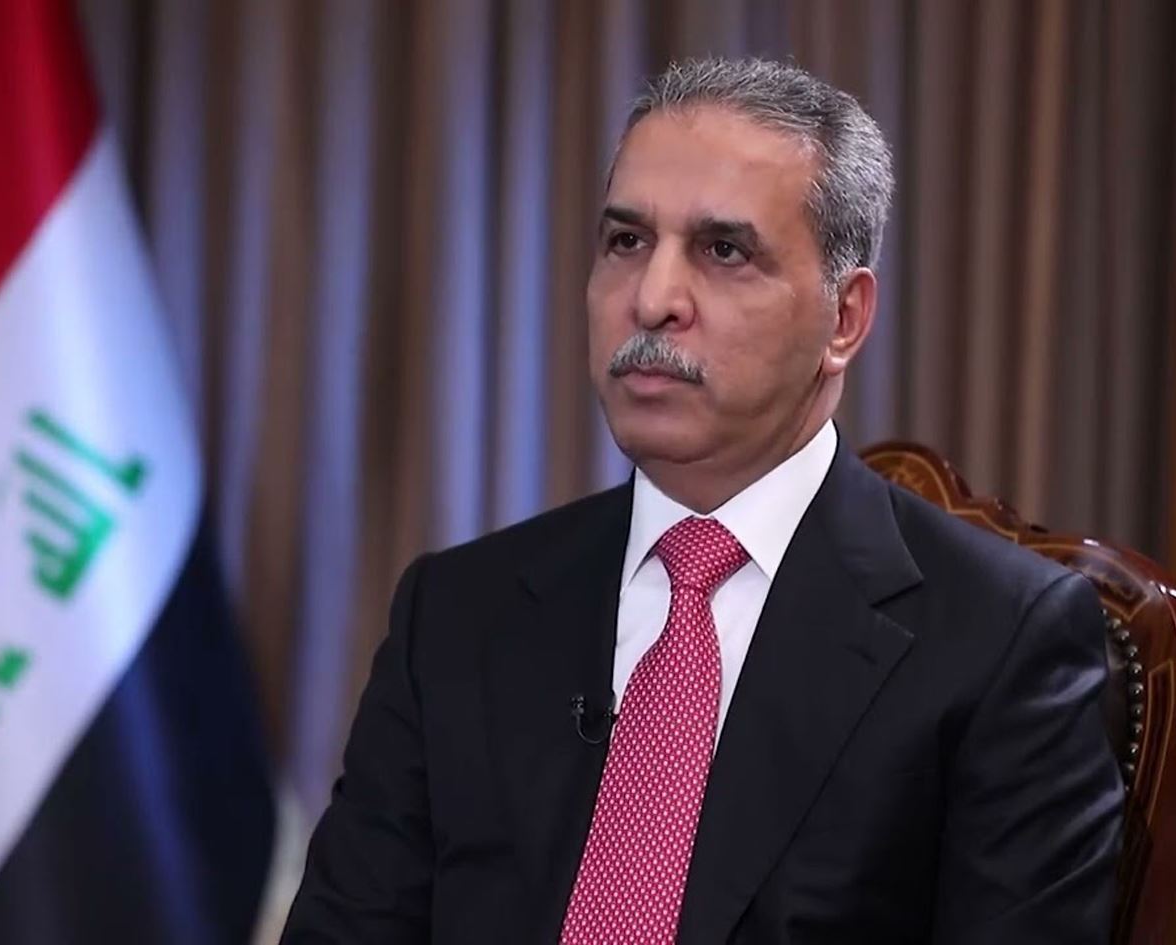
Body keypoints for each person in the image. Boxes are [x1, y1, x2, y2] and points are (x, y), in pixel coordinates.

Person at [282, 57, 1122, 944]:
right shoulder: (455, 613)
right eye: (626, 242)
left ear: (844, 319)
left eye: (724, 251)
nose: (652, 300)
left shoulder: (1000, 641)